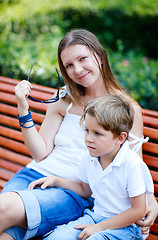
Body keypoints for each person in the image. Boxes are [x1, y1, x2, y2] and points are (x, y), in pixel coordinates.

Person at [0, 29, 157, 240]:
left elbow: (134, 165)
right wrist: (23, 109)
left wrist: (151, 200)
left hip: (74, 192)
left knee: (3, 208)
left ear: (99, 57)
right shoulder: (64, 99)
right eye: (69, 65)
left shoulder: (126, 109)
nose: (78, 69)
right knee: (8, 235)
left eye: (83, 58)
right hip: (33, 176)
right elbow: (40, 154)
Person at [28, 94, 152, 240]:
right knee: (58, 237)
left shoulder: (131, 164)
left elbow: (138, 211)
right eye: (86, 131)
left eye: (97, 133)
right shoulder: (90, 157)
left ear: (120, 138)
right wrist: (56, 180)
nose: (88, 139)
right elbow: (85, 190)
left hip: (127, 227)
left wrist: (99, 227)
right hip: (96, 216)